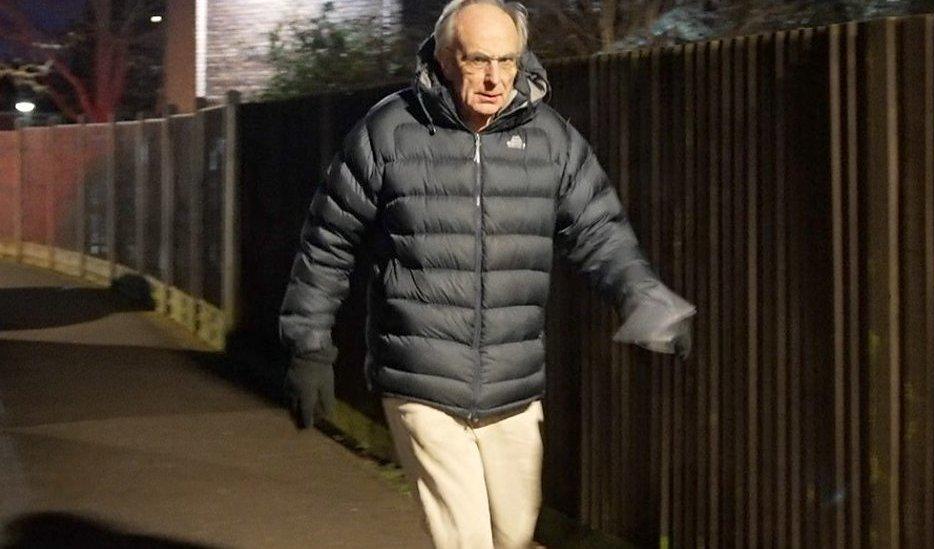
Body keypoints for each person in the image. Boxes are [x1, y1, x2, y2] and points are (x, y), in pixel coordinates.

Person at [278, 1, 696, 547]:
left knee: (514, 532)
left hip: (513, 383)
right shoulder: (388, 132)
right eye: (479, 61)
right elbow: (328, 241)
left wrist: (649, 301)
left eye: (507, 60)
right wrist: (309, 346)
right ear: (447, 59)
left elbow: (600, 229)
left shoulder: (550, 140)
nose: (496, 78)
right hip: (421, 378)